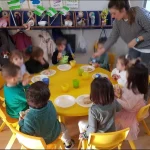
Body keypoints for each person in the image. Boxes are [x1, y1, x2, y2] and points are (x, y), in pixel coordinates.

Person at [94, 0, 150, 71]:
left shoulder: (140, 15)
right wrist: (101, 51)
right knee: (130, 71)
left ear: (123, 10)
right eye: (111, 13)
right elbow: (112, 37)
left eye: (114, 13)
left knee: (143, 74)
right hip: (134, 48)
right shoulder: (118, 21)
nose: (112, 16)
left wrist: (137, 39)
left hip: (147, 49)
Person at [19, 81, 74, 149]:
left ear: (27, 100)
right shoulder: (50, 104)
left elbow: (26, 132)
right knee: (63, 126)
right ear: (47, 99)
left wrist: (21, 121)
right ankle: (68, 144)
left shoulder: (29, 118)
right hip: (55, 132)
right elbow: (55, 116)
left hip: (42, 141)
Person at [114, 59, 149, 140]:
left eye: (127, 72)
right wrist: (121, 90)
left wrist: (117, 99)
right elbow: (126, 90)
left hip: (129, 111)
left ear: (133, 77)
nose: (125, 73)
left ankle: (112, 134)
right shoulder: (136, 85)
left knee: (111, 111)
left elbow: (128, 106)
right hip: (131, 103)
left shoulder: (134, 93)